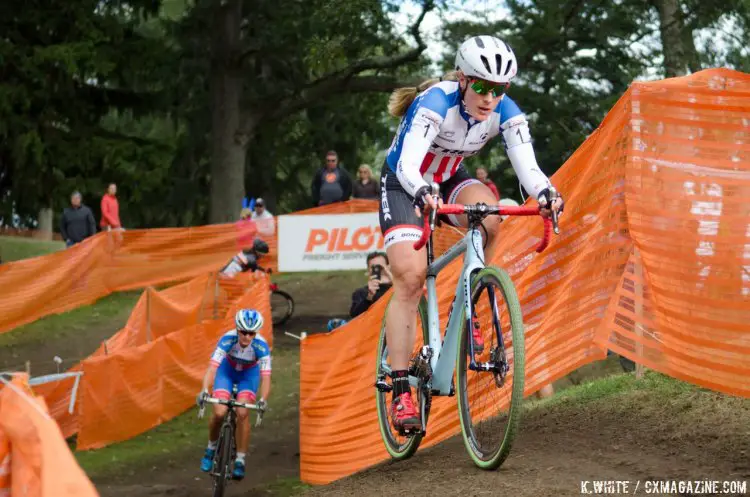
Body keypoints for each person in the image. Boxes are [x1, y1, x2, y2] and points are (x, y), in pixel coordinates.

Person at [379, 35, 564, 433]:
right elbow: (410, 165)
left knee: (492, 218)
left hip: (448, 179)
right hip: (403, 182)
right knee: (410, 278)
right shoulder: (434, 104)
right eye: (480, 86)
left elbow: (528, 170)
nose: (489, 98)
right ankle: (400, 391)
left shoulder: (507, 112)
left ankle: (472, 296)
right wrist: (421, 191)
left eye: (498, 90)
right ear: (462, 79)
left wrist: (547, 193)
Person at [197, 309, 271, 480]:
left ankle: (240, 460)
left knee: (243, 413)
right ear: (237, 329)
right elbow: (213, 368)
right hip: (227, 372)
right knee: (219, 412)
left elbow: (266, 378)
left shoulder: (261, 346)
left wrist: (263, 400)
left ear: (256, 333)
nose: (246, 337)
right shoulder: (227, 339)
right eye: (243, 332)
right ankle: (210, 448)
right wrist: (204, 390)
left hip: (248, 376)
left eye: (251, 333)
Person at [350, 252, 393, 318]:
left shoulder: (396, 289)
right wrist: (369, 297)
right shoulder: (361, 292)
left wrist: (393, 281)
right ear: (368, 270)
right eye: (373, 267)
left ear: (388, 267)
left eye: (380, 266)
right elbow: (355, 316)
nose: (377, 269)